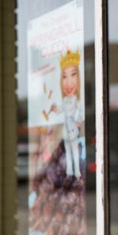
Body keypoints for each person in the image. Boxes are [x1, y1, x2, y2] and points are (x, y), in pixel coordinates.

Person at [51, 49, 84, 178]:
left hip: (73, 130)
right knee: (68, 152)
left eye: (73, 74)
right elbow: (61, 109)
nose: (69, 82)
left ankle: (77, 171)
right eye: (64, 76)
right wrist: (55, 109)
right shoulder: (65, 100)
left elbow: (78, 114)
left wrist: (78, 118)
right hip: (66, 130)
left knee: (75, 151)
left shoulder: (77, 100)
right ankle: (69, 170)